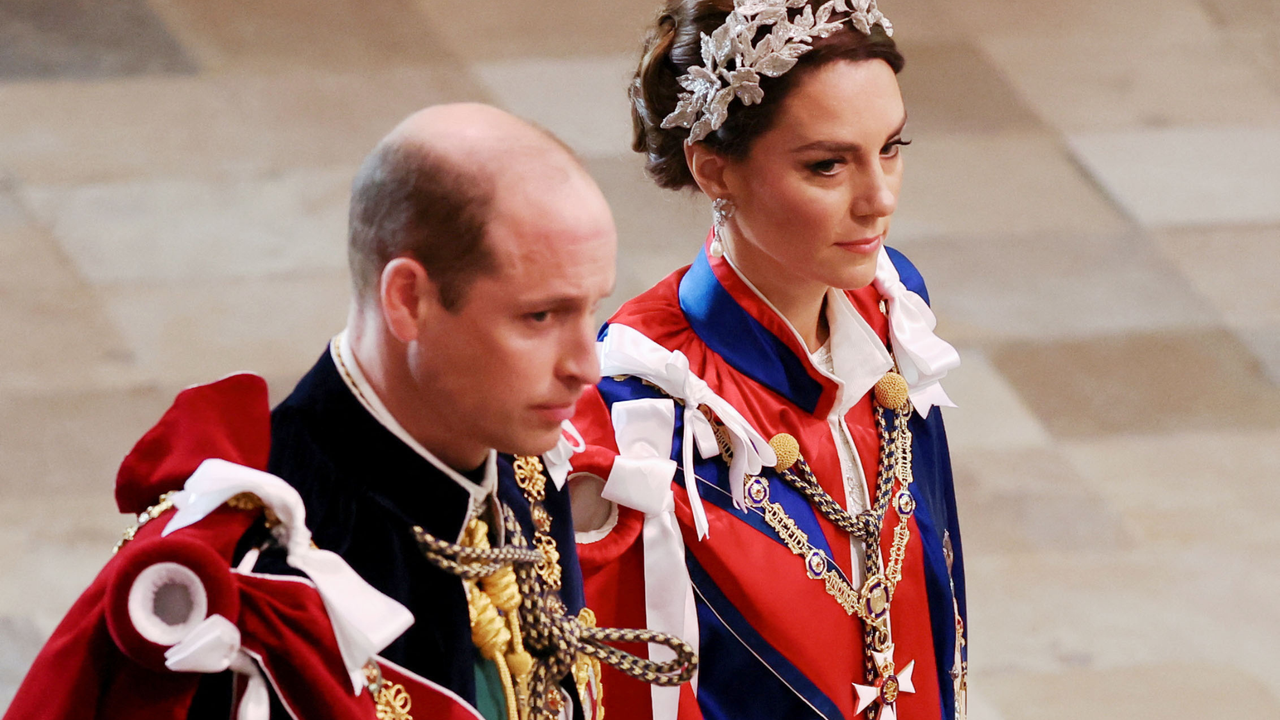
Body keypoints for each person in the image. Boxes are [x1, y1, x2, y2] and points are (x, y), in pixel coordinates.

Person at [6, 103, 695, 720]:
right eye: (540, 316)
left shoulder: (522, 460)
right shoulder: (253, 586)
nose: (587, 365)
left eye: (592, 309)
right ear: (408, 301)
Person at [567, 2, 968, 720]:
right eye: (827, 166)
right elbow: (631, 691)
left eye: (892, 147)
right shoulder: (640, 406)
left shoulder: (892, 304)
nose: (879, 200)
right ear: (716, 170)